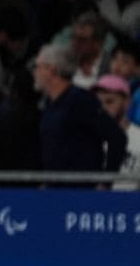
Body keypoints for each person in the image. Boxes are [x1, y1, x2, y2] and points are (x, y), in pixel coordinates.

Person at [32, 44, 127, 177]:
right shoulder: (49, 103)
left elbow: (117, 137)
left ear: (51, 70)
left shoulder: (80, 100)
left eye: (37, 66)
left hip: (82, 189)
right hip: (56, 189)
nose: (34, 72)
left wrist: (106, 181)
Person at [91, 74, 140, 191]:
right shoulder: (88, 137)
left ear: (127, 102)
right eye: (98, 102)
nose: (103, 108)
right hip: (91, 205)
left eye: (109, 101)